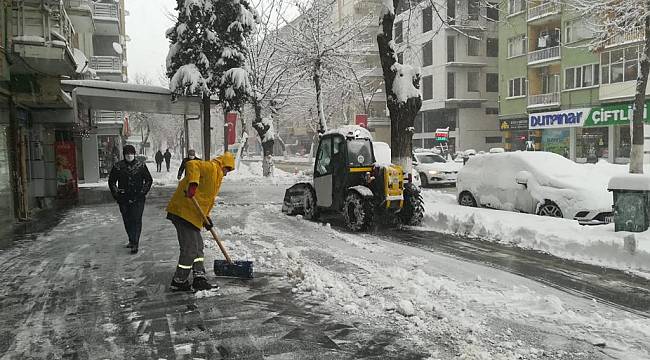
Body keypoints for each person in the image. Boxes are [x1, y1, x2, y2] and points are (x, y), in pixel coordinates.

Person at [165, 152, 235, 291]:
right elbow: (191, 164)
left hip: (193, 215)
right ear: (223, 164)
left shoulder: (217, 178)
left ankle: (199, 278)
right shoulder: (211, 167)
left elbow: (205, 200)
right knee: (190, 249)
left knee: (198, 247)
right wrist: (193, 184)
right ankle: (179, 281)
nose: (227, 173)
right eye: (227, 169)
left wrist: (205, 217)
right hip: (183, 211)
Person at [108, 145, 153, 254]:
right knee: (127, 220)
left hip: (138, 198)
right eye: (127, 154)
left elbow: (148, 180)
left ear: (134, 154)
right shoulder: (118, 166)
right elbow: (111, 181)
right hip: (123, 198)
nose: (129, 156)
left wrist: (142, 192)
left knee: (136, 219)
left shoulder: (141, 166)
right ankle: (131, 239)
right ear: (124, 155)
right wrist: (116, 192)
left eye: (131, 153)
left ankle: (135, 243)